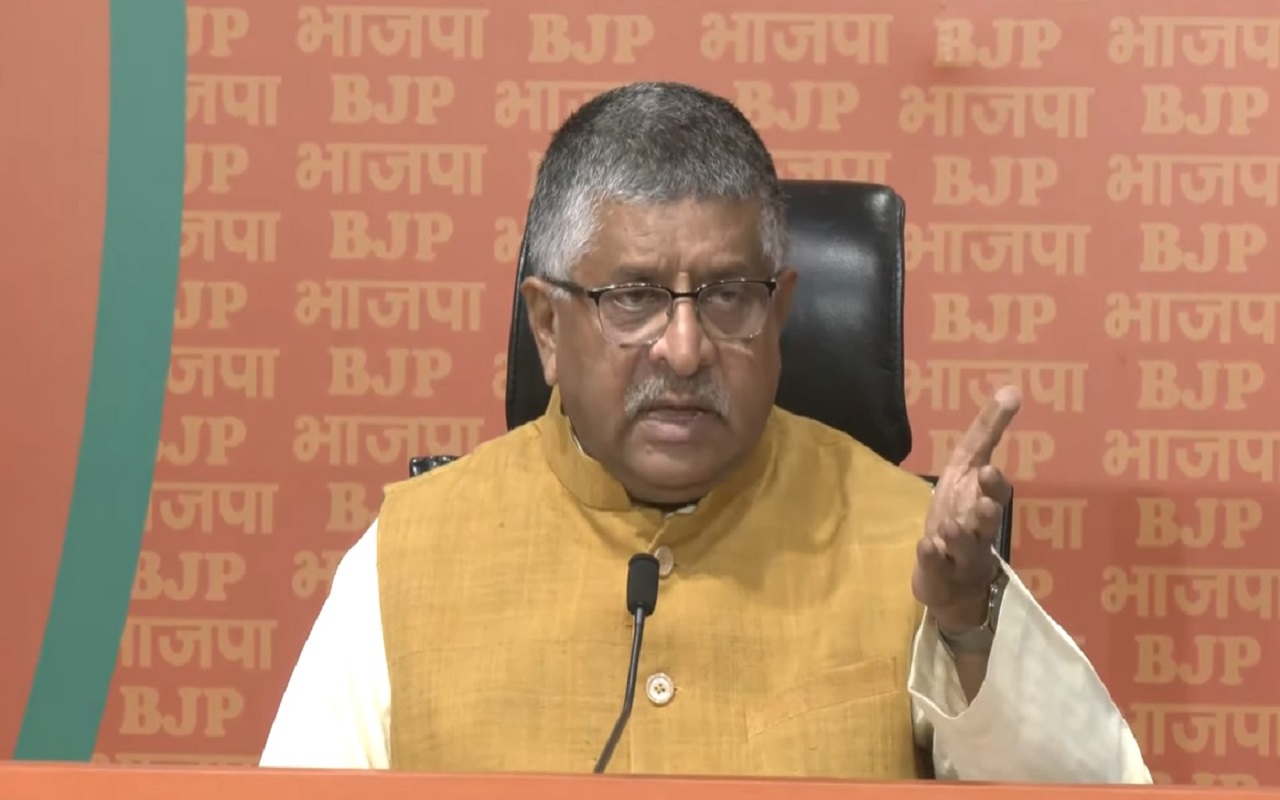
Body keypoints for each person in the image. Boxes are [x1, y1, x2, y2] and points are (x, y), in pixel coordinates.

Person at [259, 81, 1151, 782]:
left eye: (727, 296)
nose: (684, 350)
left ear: (781, 312)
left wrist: (967, 625)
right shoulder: (408, 558)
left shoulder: (908, 546)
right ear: (547, 328)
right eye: (633, 298)